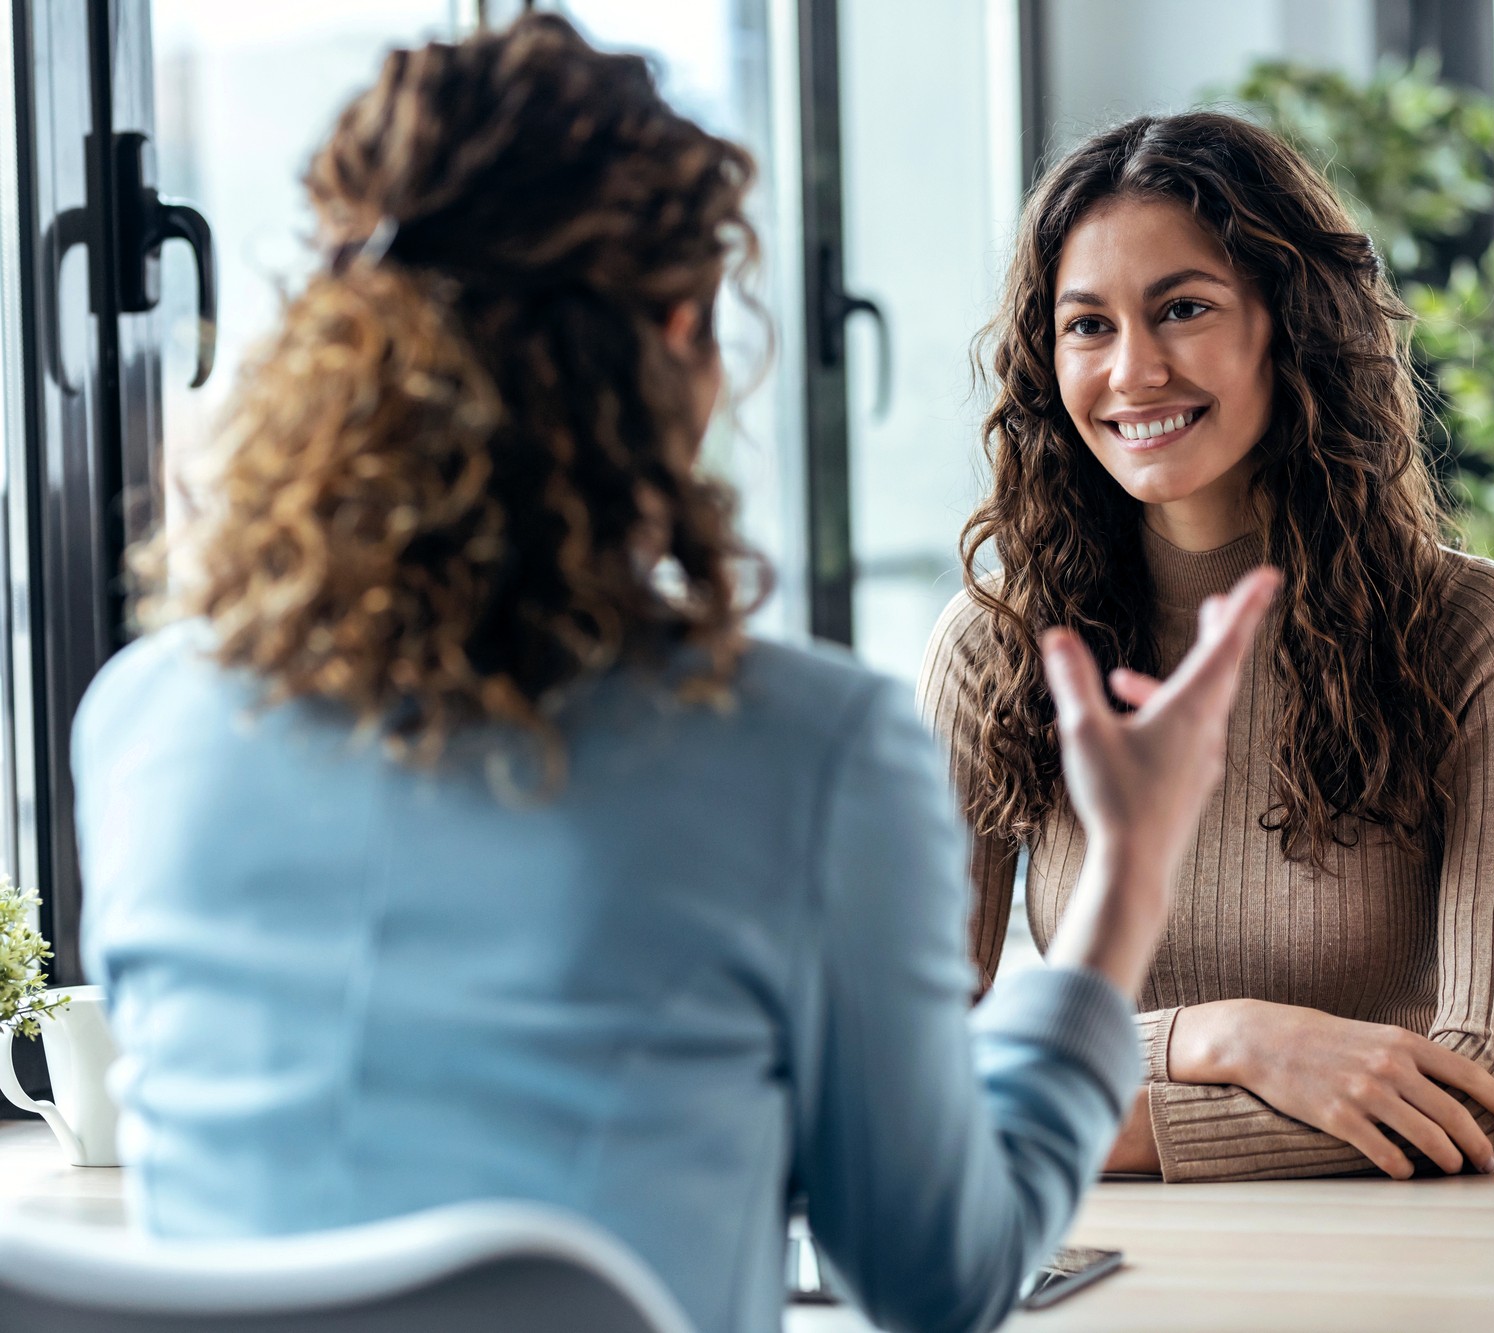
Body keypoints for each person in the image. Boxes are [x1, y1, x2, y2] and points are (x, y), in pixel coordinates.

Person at [69, 19, 1281, 1333]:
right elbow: (942, 1278)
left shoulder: (140, 724)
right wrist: (1127, 874)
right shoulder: (805, 748)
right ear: (679, 336)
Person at [920, 112, 1494, 1185]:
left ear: (1291, 324)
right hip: (1101, 1257)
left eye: (1182, 309)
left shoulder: (1479, 631)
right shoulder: (993, 642)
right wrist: (1223, 1039)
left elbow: (1490, 1100)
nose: (1132, 371)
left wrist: (1082, 1113)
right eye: (1087, 326)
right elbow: (912, 1064)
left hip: (1397, 1259)